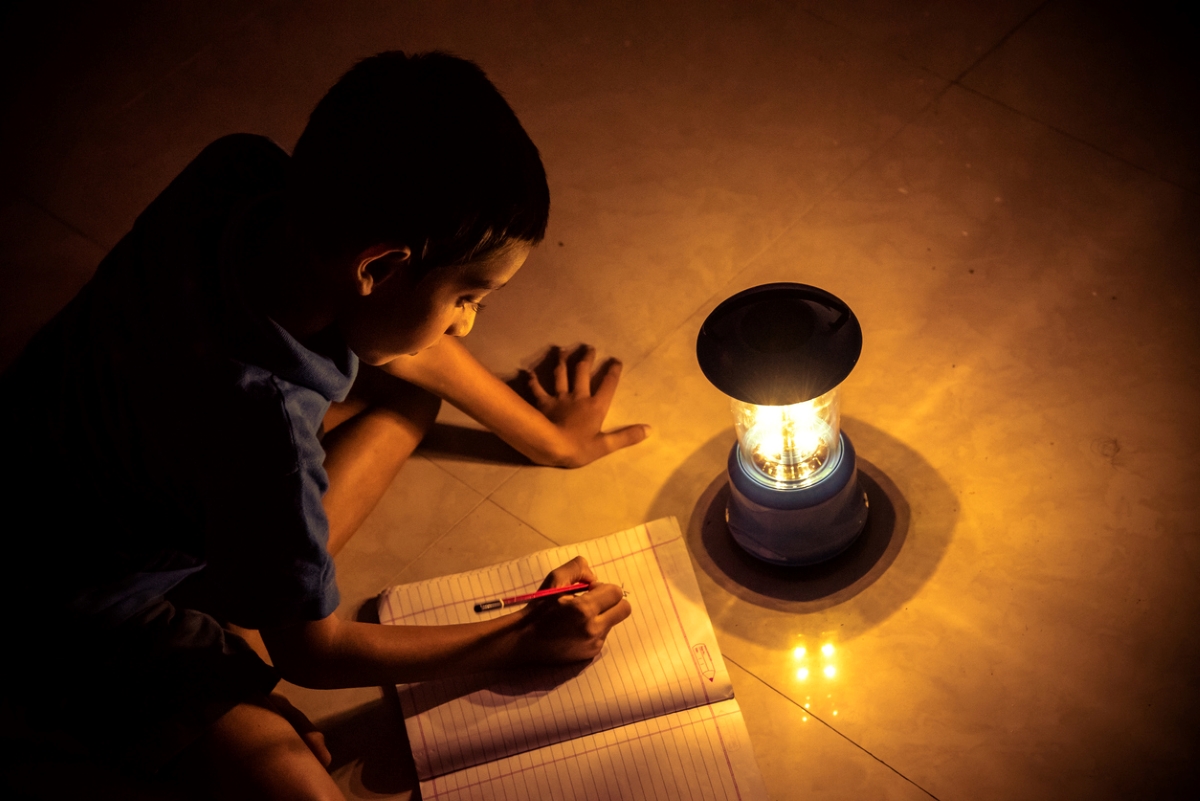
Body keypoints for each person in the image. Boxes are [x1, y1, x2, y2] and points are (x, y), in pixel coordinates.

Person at [0, 51, 647, 800]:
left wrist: (550, 441)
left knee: (409, 397)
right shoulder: (265, 430)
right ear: (378, 267)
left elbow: (408, 355)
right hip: (71, 620)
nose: (467, 325)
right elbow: (314, 650)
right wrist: (518, 642)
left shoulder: (238, 173)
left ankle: (235, 605)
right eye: (469, 294)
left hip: (74, 457)